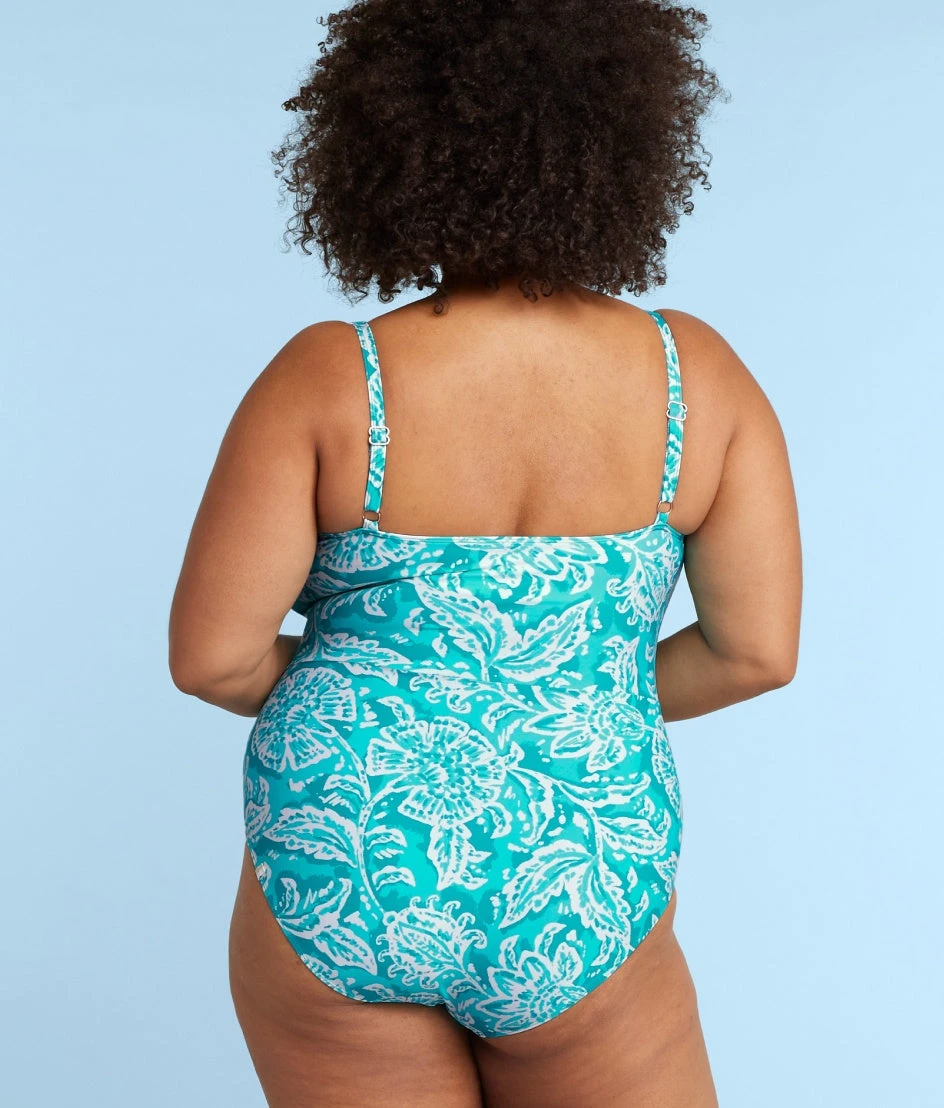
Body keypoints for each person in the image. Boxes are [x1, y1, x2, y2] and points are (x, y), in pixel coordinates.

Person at [168, 1, 801, 1104]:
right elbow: (756, 653)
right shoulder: (693, 377)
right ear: (627, 142)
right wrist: (553, 697)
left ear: (384, 147)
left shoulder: (330, 377)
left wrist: (405, 693)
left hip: (339, 854)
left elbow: (212, 659)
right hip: (580, 865)